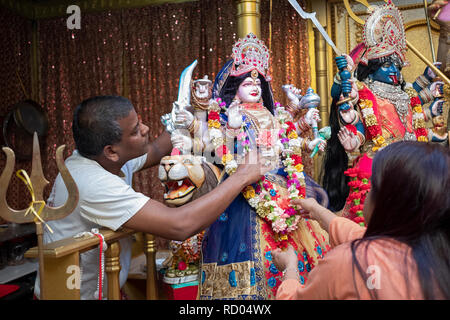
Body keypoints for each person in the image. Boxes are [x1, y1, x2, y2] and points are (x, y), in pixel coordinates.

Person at [34, 95, 270, 300]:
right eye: (136, 130)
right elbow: (179, 224)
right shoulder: (91, 183)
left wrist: (186, 118)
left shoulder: (103, 158)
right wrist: (240, 177)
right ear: (111, 151)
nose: (146, 129)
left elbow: (156, 150)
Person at [168, 33, 330, 299]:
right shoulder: (230, 115)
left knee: (301, 238)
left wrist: (308, 139)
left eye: (258, 81)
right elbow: (218, 149)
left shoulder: (271, 113)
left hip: (283, 186)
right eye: (246, 81)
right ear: (235, 86)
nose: (254, 85)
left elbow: (284, 142)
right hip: (246, 190)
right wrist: (225, 125)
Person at [273, 141, 450, 300]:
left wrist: (290, 268)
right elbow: (356, 234)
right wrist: (317, 211)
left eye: (372, 186)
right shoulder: (437, 254)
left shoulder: (350, 263)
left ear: (389, 201)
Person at [322, 1, 447, 221]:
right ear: (371, 68)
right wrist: (355, 141)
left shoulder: (406, 93)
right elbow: (351, 111)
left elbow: (414, 124)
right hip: (381, 166)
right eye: (387, 65)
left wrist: (431, 121)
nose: (394, 71)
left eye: (398, 66)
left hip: (413, 166)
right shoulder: (364, 92)